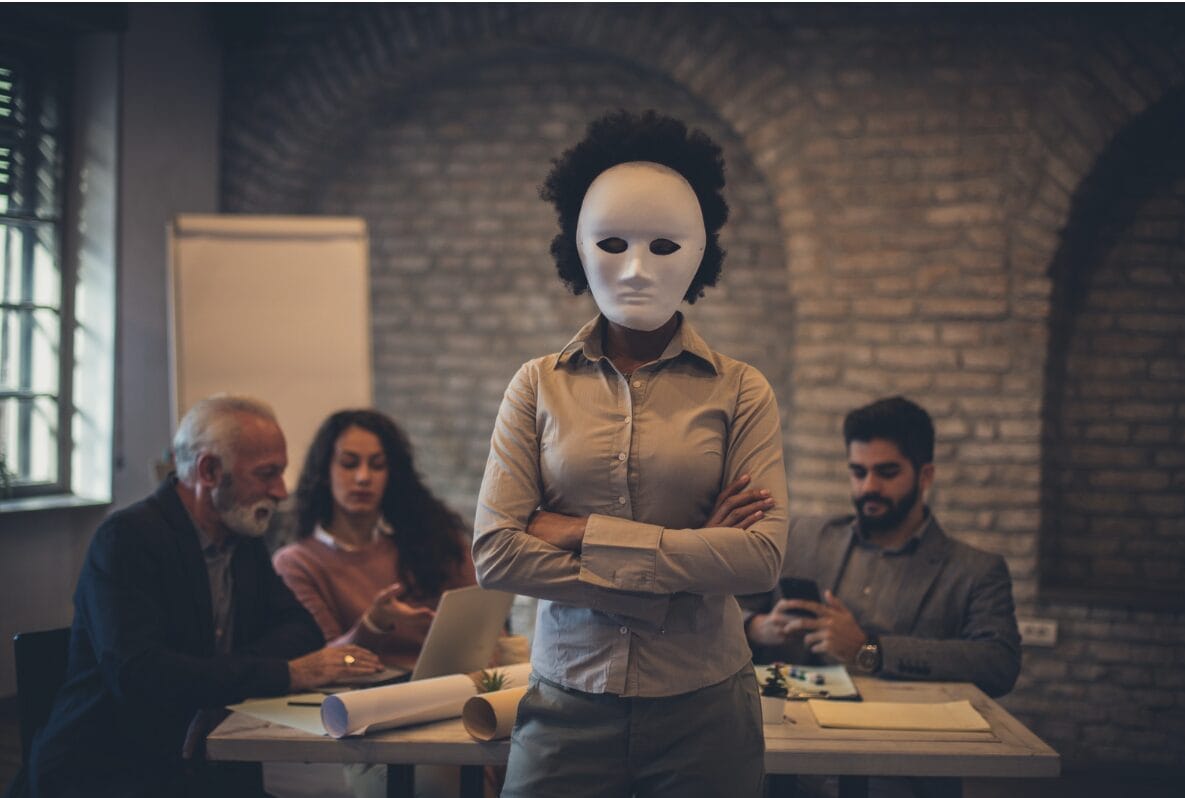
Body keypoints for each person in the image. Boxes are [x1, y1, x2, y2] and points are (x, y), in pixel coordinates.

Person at [473, 110, 788, 798]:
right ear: (577, 248)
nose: (639, 270)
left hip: (703, 706)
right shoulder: (536, 385)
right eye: (613, 242)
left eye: (664, 245)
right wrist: (690, 551)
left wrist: (583, 533)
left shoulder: (742, 391)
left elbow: (760, 558)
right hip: (566, 701)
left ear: (702, 250)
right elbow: (496, 552)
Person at [14, 396, 382, 798]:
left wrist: (205, 672)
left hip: (205, 761)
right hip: (111, 768)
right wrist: (285, 673)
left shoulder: (242, 538)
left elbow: (302, 631)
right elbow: (141, 677)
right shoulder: (128, 539)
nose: (279, 490)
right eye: (266, 474)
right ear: (208, 471)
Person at [741, 396, 1021, 699]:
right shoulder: (801, 536)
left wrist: (867, 648)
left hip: (902, 731)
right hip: (793, 720)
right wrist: (756, 628)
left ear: (925, 476)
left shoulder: (974, 571)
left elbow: (998, 664)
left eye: (887, 473)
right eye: (858, 472)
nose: (869, 487)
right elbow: (725, 610)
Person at [273, 409, 476, 671]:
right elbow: (324, 661)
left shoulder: (429, 543)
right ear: (324, 472)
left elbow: (478, 622)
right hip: (367, 699)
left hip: (449, 684)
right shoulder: (297, 563)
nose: (363, 477)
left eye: (377, 465)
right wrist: (373, 624)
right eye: (349, 464)